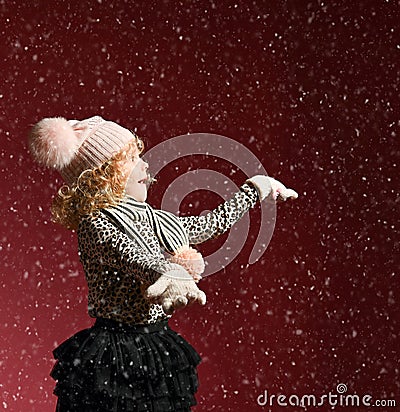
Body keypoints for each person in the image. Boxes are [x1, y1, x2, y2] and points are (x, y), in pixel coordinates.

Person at [28, 116, 298, 411]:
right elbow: (130, 255)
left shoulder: (154, 220)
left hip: (156, 346)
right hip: (113, 352)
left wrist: (254, 189)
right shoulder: (95, 224)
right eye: (132, 158)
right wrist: (168, 269)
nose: (145, 165)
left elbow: (207, 225)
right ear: (103, 175)